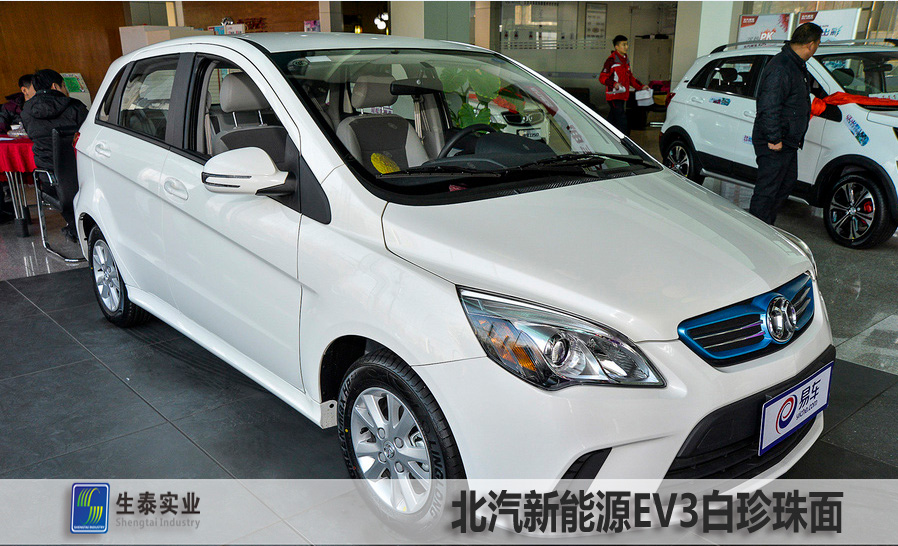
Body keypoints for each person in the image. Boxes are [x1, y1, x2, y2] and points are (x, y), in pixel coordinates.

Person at [749, 23, 823, 225]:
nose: (816, 49)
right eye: (817, 44)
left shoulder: (796, 65)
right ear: (810, 44)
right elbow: (768, 105)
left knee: (784, 185)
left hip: (788, 141)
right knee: (767, 190)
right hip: (775, 141)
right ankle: (755, 231)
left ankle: (766, 226)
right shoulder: (781, 67)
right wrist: (774, 138)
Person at [20, 69, 88, 242]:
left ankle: (74, 226)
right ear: (55, 86)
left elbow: (31, 135)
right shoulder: (75, 106)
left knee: (63, 190)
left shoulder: (27, 110)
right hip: (81, 174)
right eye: (64, 86)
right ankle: (80, 227)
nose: (66, 90)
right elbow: (89, 135)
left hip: (49, 178)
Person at [599, 35, 648, 136]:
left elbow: (630, 78)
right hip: (613, 95)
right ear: (616, 47)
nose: (626, 47)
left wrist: (641, 86)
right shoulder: (611, 61)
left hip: (623, 95)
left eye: (627, 44)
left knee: (612, 119)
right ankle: (624, 140)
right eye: (623, 45)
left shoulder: (625, 61)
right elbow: (602, 78)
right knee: (621, 119)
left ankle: (604, 135)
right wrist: (614, 84)